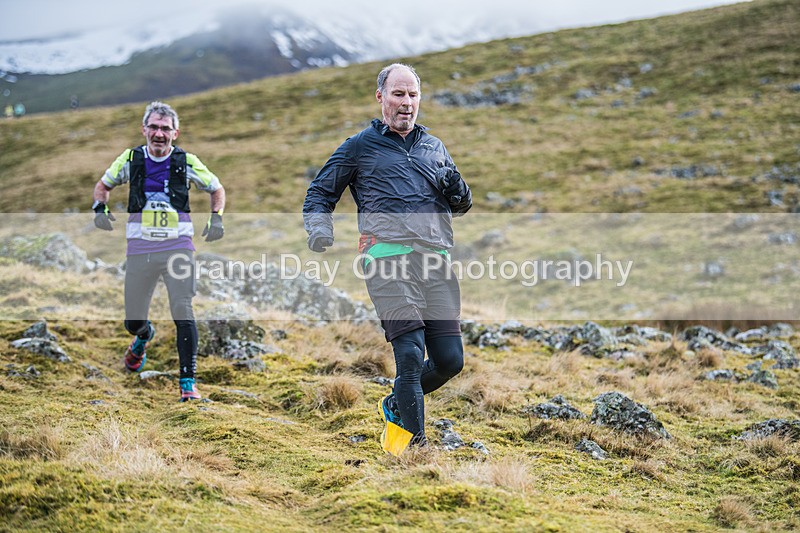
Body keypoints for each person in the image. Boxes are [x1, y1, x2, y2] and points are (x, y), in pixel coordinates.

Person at [303, 63, 472, 453]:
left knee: (449, 361)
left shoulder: (434, 147)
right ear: (381, 97)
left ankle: (396, 403)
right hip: (386, 259)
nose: (407, 103)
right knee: (410, 354)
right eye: (398, 94)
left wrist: (458, 188)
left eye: (413, 95)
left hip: (435, 261)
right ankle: (415, 451)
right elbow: (319, 194)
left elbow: (461, 205)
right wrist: (319, 229)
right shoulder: (359, 146)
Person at [92, 101, 226, 402]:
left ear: (175, 133)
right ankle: (143, 336)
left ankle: (188, 382)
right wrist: (99, 207)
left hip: (178, 247)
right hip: (140, 249)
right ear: (144, 130)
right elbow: (103, 186)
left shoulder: (186, 161)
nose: (159, 133)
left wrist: (216, 216)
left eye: (165, 128)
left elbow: (217, 189)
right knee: (133, 320)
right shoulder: (130, 159)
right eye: (153, 127)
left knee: (183, 309)